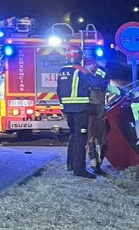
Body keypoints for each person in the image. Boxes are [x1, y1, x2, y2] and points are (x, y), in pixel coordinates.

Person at [57, 46, 108, 179]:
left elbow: (59, 91)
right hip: (80, 108)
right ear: (79, 56)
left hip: (68, 109)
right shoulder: (80, 70)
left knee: (73, 136)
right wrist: (99, 71)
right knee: (81, 138)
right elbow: (96, 82)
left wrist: (63, 108)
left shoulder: (62, 71)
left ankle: (71, 164)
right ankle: (79, 170)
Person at [84, 57, 120, 176]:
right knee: (99, 139)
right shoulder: (98, 79)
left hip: (91, 113)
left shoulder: (86, 77)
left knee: (93, 139)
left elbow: (110, 88)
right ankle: (96, 163)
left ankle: (95, 163)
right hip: (97, 113)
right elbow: (111, 88)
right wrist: (122, 92)